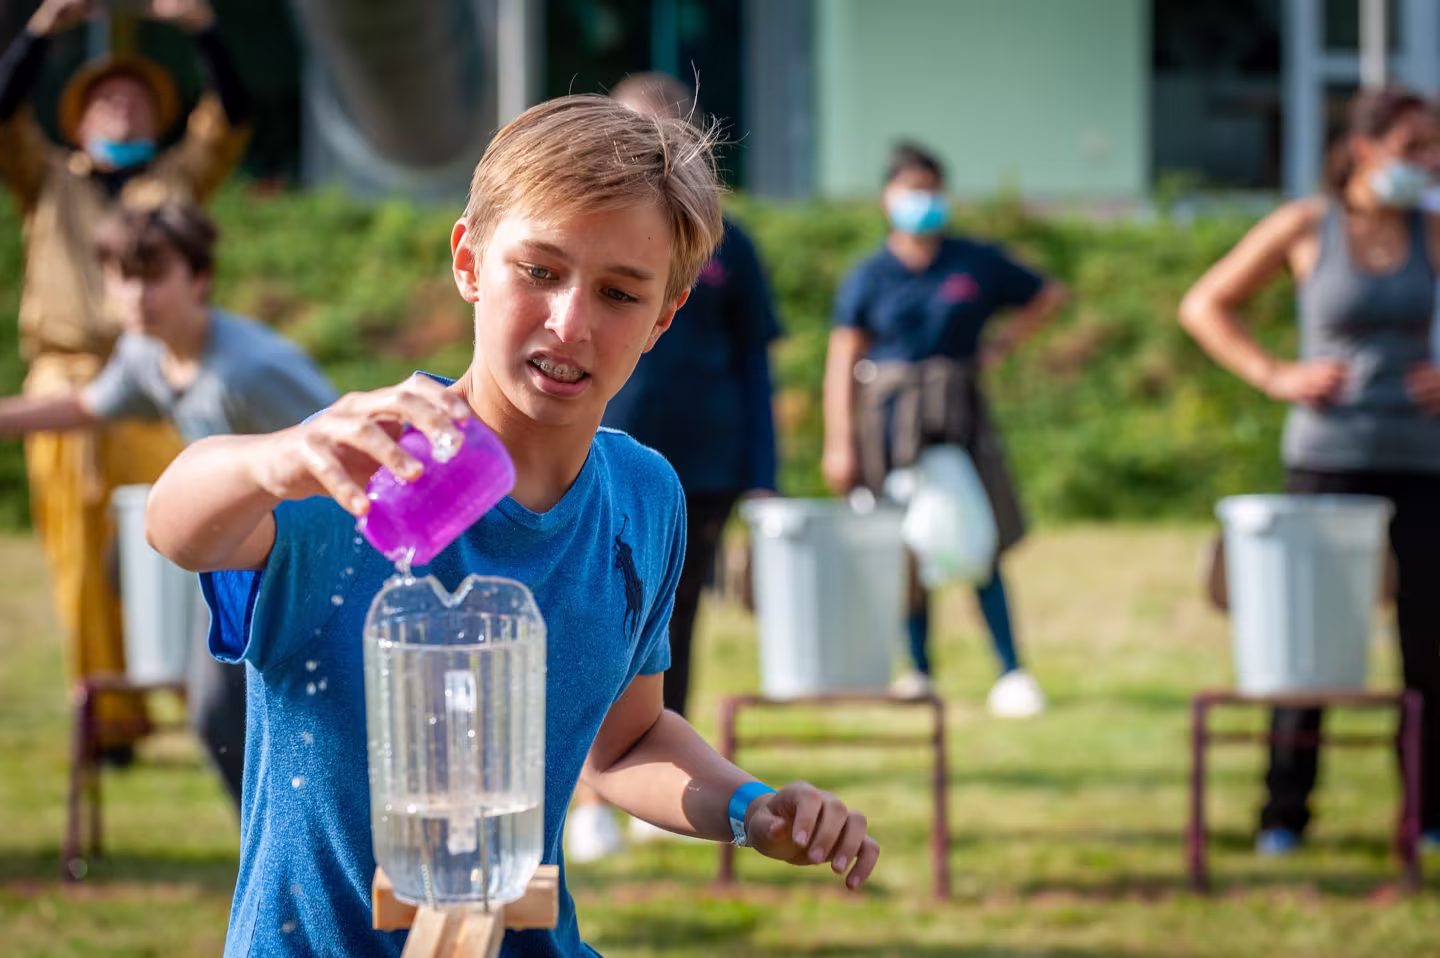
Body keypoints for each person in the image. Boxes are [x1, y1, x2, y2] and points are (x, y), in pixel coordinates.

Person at [145, 94, 880, 956]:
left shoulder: (642, 497)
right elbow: (176, 526)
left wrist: (750, 809)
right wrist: (275, 460)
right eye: (538, 271)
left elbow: (626, 742)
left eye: (619, 292)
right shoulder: (364, 466)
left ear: (664, 316)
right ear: (468, 260)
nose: (571, 323)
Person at [0, 201, 336, 810]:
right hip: (239, 562)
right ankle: (268, 840)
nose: (136, 295)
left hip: (312, 563)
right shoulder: (144, 354)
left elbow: (347, 450)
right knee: (217, 717)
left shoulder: (250, 371)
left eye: (154, 276)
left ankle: (304, 839)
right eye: (122, 276)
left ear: (200, 278)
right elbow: (85, 407)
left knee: (283, 718)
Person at [1179, 86, 1440, 856]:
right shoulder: (1305, 226)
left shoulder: (1431, 230)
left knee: (1430, 644)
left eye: (1434, 149)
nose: (1428, 162)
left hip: (1421, 460)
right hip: (1328, 460)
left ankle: (1427, 815)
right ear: (1363, 149)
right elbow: (1205, 304)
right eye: (1414, 148)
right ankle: (1284, 815)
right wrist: (1273, 373)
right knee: (1308, 642)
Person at [0, 0, 251, 763]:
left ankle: (202, 696)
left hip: (157, 378)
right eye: (107, 99)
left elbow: (233, 117)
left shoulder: (175, 182)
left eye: (137, 99)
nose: (123, 107)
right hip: (68, 374)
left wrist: (203, 29)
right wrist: (40, 31)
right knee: (80, 553)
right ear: (78, 121)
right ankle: (107, 720)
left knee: (179, 537)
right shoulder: (46, 176)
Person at [556, 71, 783, 862]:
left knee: (667, 627)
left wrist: (762, 470)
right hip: (594, 452)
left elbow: (755, 364)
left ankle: (669, 794)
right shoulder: (576, 236)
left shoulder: (730, 246)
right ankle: (586, 800)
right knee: (586, 629)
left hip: (700, 467)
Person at [820, 141, 1067, 716]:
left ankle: (1012, 670)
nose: (922, 201)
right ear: (887, 199)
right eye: (910, 191)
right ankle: (918, 669)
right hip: (888, 429)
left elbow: (1047, 294)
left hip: (957, 425)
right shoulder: (869, 275)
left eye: (931, 190)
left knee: (978, 541)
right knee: (904, 551)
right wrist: (839, 443)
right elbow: (842, 360)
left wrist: (1002, 345)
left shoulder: (973, 262)